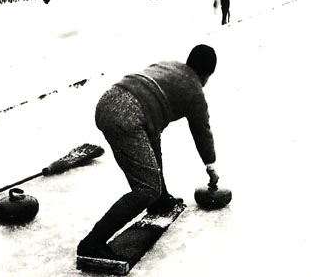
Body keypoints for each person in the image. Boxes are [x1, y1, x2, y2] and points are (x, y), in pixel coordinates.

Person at [77, 44, 221, 261]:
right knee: (146, 188)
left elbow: (152, 127)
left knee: (153, 150)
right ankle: (93, 243)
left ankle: (160, 199)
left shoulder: (170, 65)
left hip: (110, 100)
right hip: (127, 117)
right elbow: (202, 131)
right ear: (208, 74)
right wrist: (210, 166)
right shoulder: (194, 90)